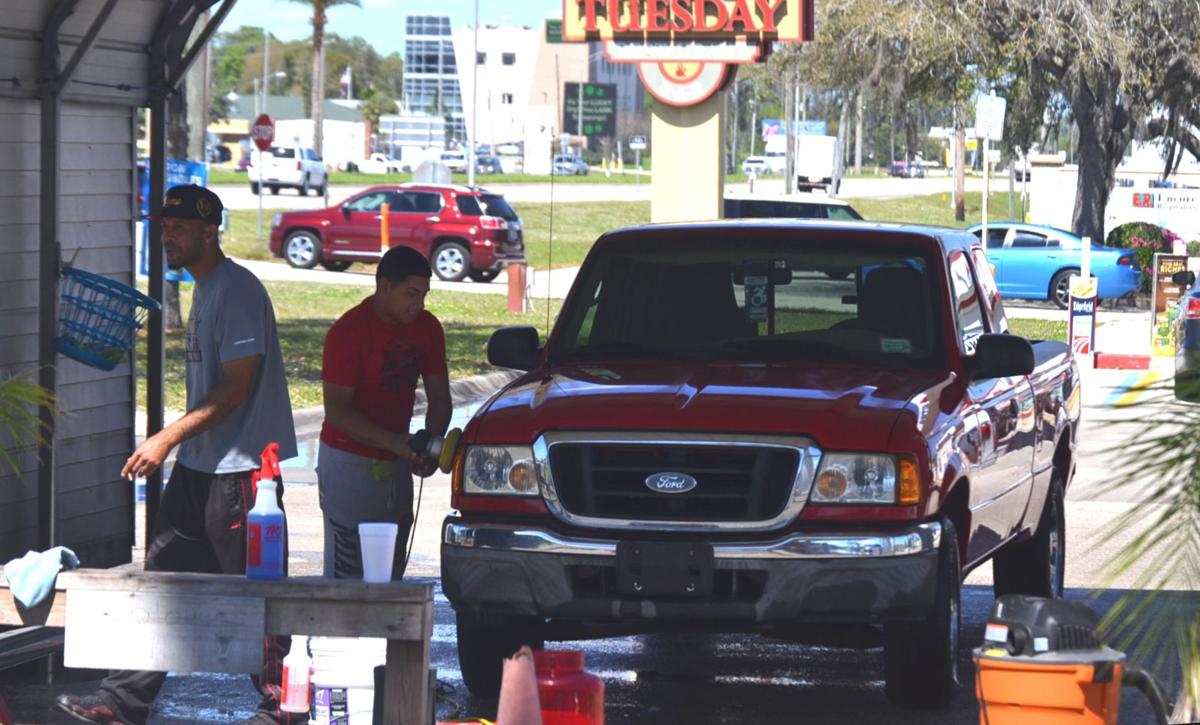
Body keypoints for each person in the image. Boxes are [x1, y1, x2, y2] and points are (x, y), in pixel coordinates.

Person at [56, 185, 300, 725]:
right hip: (199, 468)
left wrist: (165, 438)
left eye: (179, 228)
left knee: (257, 595)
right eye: (164, 226)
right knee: (159, 584)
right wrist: (180, 447)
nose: (168, 235)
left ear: (209, 231)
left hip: (242, 475)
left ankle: (283, 702)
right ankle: (121, 702)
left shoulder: (235, 291)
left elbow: (235, 390)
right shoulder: (205, 288)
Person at [318, 245, 451, 580]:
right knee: (347, 575)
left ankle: (392, 631)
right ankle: (341, 633)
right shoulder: (348, 332)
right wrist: (394, 442)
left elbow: (440, 398)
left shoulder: (428, 328)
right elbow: (337, 412)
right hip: (348, 460)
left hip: (397, 460)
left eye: (424, 295)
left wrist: (429, 445)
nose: (418, 305)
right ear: (384, 286)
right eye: (411, 294)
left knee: (390, 574)